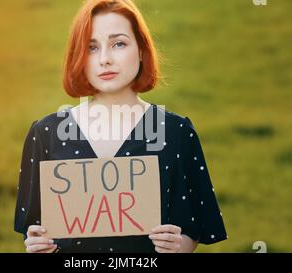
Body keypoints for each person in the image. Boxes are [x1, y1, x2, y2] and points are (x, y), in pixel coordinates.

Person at [14, 0, 227, 253]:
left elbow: (194, 228)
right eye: (91, 48)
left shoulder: (176, 132)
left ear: (140, 50)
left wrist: (180, 246)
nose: (105, 59)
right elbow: (34, 229)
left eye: (119, 44)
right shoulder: (46, 133)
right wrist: (37, 246)